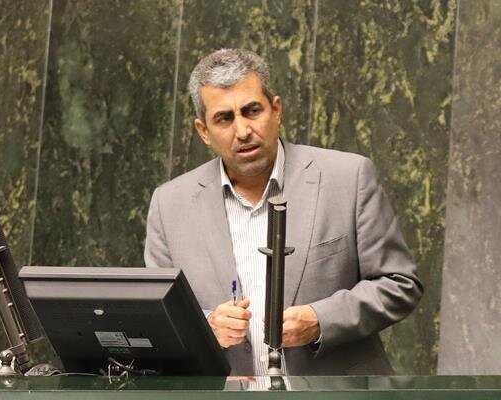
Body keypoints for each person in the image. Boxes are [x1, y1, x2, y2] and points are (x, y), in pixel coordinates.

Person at [144, 48, 423, 376]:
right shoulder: (169, 204)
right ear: (203, 131)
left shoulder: (348, 178)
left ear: (276, 110)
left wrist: (320, 320)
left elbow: (399, 283)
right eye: (224, 118)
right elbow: (159, 318)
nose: (243, 131)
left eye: (252, 111)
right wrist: (205, 326)